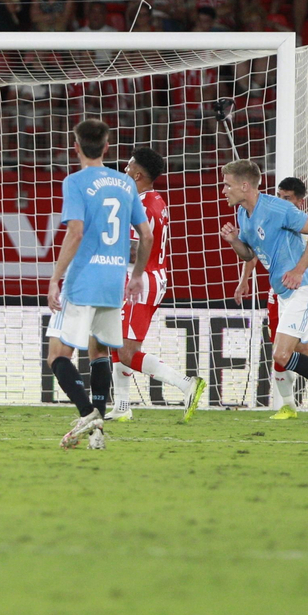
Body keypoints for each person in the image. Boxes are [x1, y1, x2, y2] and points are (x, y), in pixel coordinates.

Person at [220, 160, 308, 434]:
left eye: (227, 185)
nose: (224, 190)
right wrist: (235, 240)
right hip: (287, 292)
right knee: (307, 353)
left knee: (281, 355)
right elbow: (250, 254)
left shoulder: (277, 208)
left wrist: (298, 269)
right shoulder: (243, 215)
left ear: (244, 186)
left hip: (306, 286)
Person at [48, 120, 153, 450]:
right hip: (113, 279)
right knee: (99, 350)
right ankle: (97, 436)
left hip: (84, 279)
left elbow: (76, 232)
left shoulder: (75, 182)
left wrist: (55, 277)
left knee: (57, 355)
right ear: (107, 148)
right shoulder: (124, 183)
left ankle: (89, 413)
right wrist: (136, 275)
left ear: (75, 146)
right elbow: (146, 235)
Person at [108, 148, 208, 422]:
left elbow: (138, 245)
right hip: (155, 275)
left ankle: (186, 383)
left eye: (128, 167)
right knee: (116, 342)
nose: (124, 171)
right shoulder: (155, 200)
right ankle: (122, 406)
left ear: (138, 174)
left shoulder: (139, 205)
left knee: (127, 352)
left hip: (141, 279)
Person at [235, 176, 308, 420]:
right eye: (279, 196)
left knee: (305, 350)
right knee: (279, 348)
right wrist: (244, 279)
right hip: (278, 293)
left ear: (300, 202)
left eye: (287, 198)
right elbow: (254, 253)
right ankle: (288, 404)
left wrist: (301, 277)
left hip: (304, 291)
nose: (281, 201)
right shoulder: (269, 217)